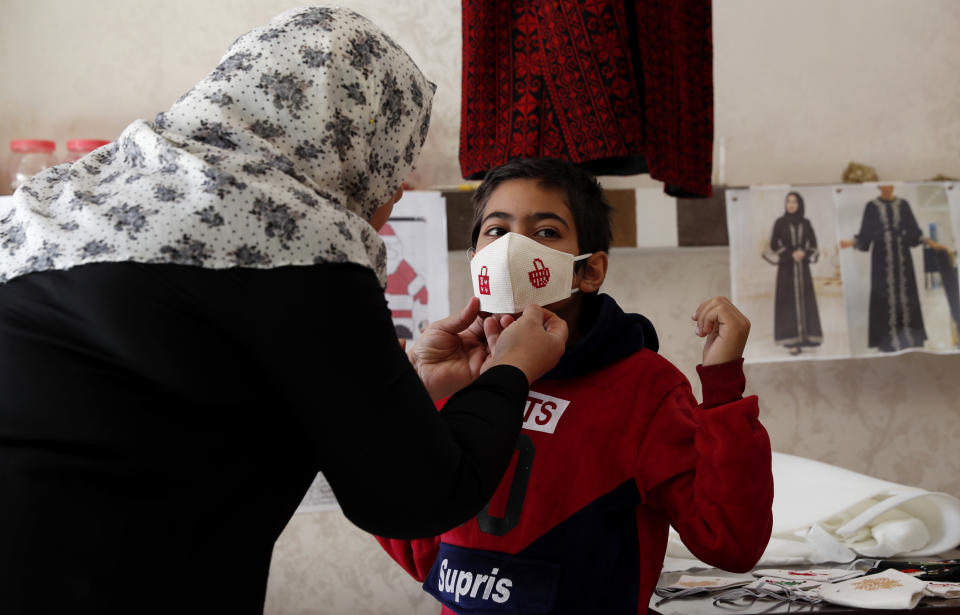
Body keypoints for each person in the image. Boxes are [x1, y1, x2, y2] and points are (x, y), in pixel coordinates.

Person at [0, 8, 568, 612]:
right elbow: (416, 497)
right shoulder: (295, 239)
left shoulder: (51, 203)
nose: (394, 194)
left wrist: (409, 394)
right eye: (393, 167)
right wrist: (511, 372)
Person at [375, 158, 774, 614]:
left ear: (590, 271)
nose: (513, 248)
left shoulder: (646, 387)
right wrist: (411, 399)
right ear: (475, 260)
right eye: (496, 231)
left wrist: (722, 388)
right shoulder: (451, 375)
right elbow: (419, 547)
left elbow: (732, 543)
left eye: (545, 232)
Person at [840, 185, 926, 352]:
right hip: (881, 256)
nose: (887, 186)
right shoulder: (871, 206)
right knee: (883, 293)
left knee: (906, 292)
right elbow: (866, 233)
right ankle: (887, 341)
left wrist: (929, 241)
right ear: (879, 186)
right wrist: (850, 243)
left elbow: (914, 231)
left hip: (902, 256)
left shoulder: (904, 204)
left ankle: (909, 338)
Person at [763, 191, 823, 355]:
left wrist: (804, 253)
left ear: (799, 204)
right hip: (786, 269)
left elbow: (814, 244)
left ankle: (807, 338)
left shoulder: (806, 222)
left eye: (794, 202)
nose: (791, 205)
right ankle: (792, 342)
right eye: (788, 201)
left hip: (803, 268)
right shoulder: (780, 222)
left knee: (805, 300)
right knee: (788, 302)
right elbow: (774, 245)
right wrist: (790, 254)